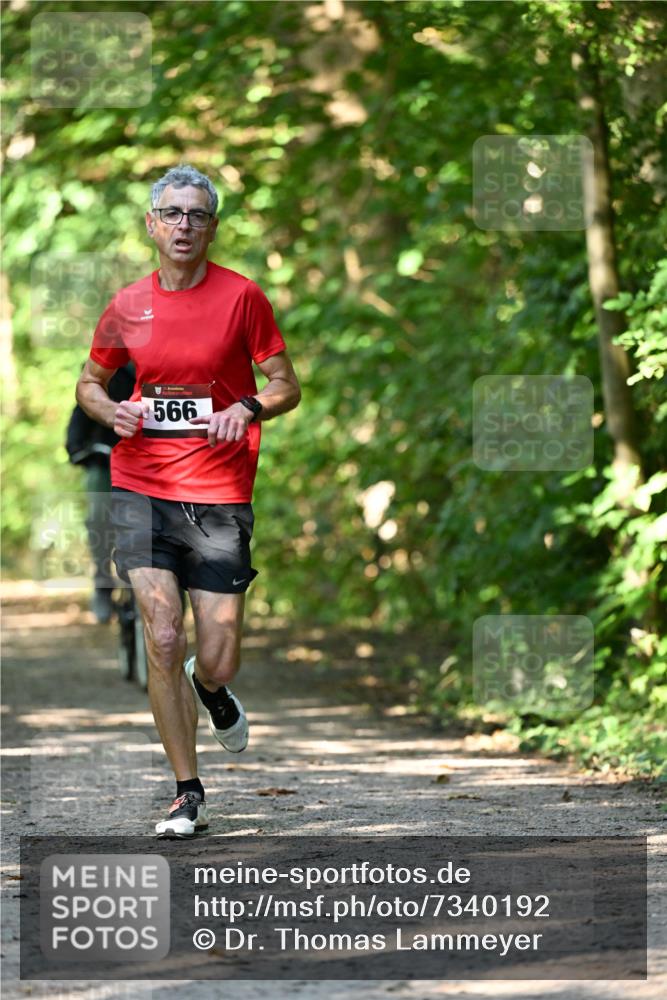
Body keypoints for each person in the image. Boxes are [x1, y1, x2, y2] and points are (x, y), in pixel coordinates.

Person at [75, 165, 301, 837]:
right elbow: (88, 382)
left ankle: (213, 689)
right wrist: (110, 411)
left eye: (196, 215)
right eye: (171, 214)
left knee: (218, 651)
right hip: (141, 486)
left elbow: (286, 382)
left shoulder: (242, 299)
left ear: (212, 227)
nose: (183, 225)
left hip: (220, 493)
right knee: (164, 633)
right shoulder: (126, 306)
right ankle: (186, 791)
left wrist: (249, 406)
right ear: (151, 224)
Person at [66, 364, 135, 623]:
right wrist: (77, 448)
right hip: (104, 460)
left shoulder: (162, 366)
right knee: (99, 514)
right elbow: (80, 414)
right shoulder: (104, 370)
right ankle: (103, 583)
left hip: (151, 460)